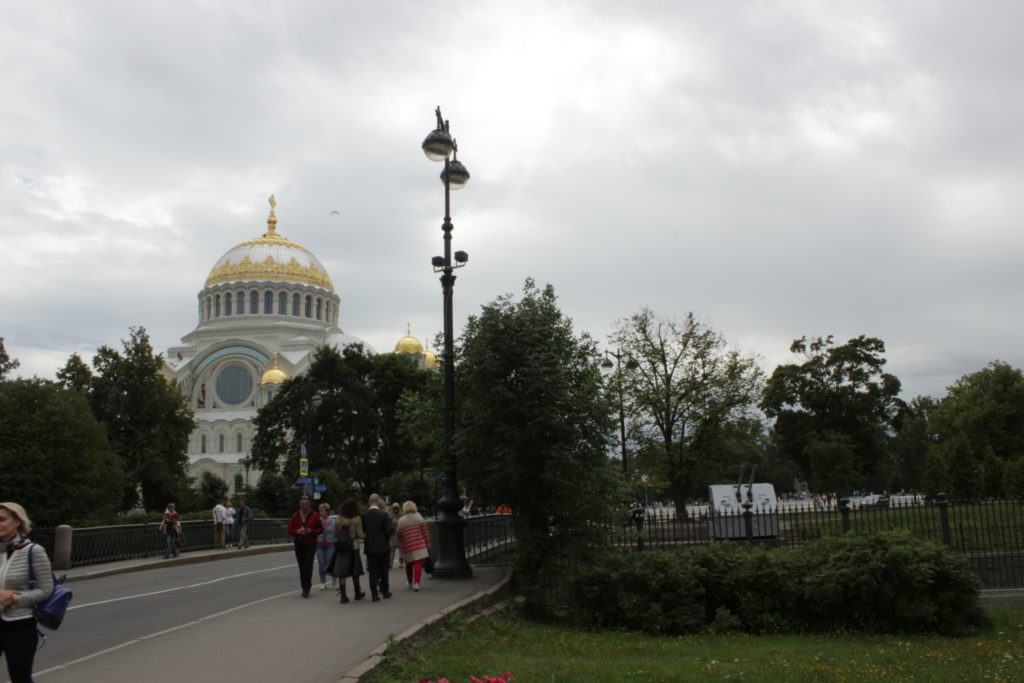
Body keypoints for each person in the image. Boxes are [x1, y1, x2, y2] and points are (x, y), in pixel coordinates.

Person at [0, 502, 54, 683]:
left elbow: (46, 590)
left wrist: (14, 599)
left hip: (19, 627)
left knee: (20, 678)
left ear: (17, 522)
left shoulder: (33, 551)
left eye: (2, 519)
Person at [287, 496, 323, 598]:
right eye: (302, 504)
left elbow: (320, 529)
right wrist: (297, 531)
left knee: (308, 565)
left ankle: (307, 588)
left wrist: (311, 531)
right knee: (302, 566)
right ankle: (304, 588)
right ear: (300, 504)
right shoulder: (295, 516)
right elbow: (290, 529)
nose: (304, 505)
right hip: (299, 543)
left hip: (310, 543)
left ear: (309, 504)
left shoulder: (315, 516)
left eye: (306, 504)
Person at [332, 498, 366, 603]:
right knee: (355, 571)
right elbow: (360, 535)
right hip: (353, 547)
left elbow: (334, 533)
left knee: (342, 572)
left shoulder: (338, 519)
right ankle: (357, 593)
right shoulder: (357, 519)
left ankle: (343, 596)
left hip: (342, 548)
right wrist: (367, 535)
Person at [361, 493, 393, 602]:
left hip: (370, 546)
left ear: (369, 502)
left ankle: (374, 594)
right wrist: (385, 542)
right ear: (378, 502)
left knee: (372, 571)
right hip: (382, 546)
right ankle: (385, 591)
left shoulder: (364, 516)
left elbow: (364, 531)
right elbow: (387, 531)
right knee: (384, 570)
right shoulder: (383, 515)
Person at [396, 501, 431, 591]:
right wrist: (427, 542)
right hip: (419, 544)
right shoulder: (419, 517)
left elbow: (399, 533)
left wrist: (401, 540)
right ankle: (416, 583)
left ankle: (410, 582)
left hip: (407, 545)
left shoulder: (401, 520)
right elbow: (425, 532)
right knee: (418, 563)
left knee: (409, 564)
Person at [315, 503, 336, 591]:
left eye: (322, 511)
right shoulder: (318, 521)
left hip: (330, 544)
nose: (320, 512)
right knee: (321, 563)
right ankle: (323, 582)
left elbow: (336, 533)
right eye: (320, 511)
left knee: (329, 562)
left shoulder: (333, 521)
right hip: (319, 544)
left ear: (327, 511)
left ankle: (334, 575)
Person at [388, 502, 402, 569]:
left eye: (396, 508)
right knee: (392, 550)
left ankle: (401, 563)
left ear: (399, 508)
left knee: (401, 550)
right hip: (393, 534)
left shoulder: (402, 515)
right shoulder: (391, 516)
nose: (395, 509)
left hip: (399, 534)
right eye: (394, 508)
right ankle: (391, 563)